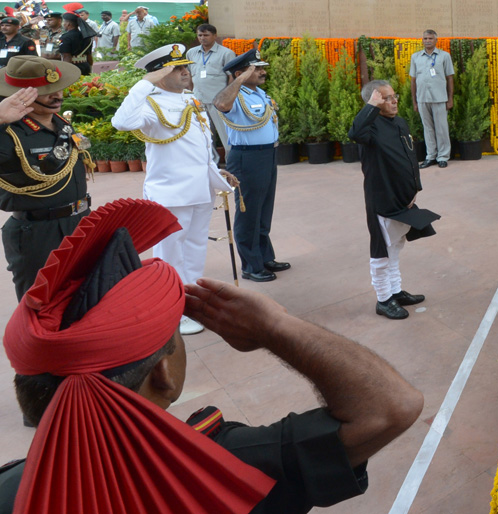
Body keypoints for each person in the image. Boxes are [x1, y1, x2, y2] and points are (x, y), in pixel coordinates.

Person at [0, 198, 423, 514]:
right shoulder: (218, 469)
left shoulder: (13, 488)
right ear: (163, 373)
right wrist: (276, 327)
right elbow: (391, 408)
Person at [111, 43, 236, 335]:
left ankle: (190, 302)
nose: (184, 72)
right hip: (172, 192)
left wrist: (215, 171)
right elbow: (121, 122)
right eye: (176, 68)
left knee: (195, 248)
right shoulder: (150, 105)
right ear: (159, 74)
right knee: (170, 254)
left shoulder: (190, 99)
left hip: (201, 189)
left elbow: (198, 147)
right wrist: (145, 83)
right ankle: (172, 309)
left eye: (185, 67)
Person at [0, 56, 87, 301]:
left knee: (82, 299)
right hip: (37, 232)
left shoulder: (60, 123)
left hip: (78, 222)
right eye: (45, 91)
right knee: (43, 304)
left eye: (58, 87)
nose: (56, 95)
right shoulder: (8, 134)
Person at [348, 80, 437, 320]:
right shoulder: (370, 128)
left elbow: (409, 157)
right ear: (374, 102)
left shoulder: (399, 122)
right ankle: (384, 299)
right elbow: (354, 132)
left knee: (396, 245)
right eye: (386, 98)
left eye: (394, 96)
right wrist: (371, 108)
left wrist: (414, 189)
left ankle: (396, 291)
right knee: (382, 251)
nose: (394, 100)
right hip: (382, 199)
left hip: (403, 200)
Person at [213, 49, 289, 283]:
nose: (263, 72)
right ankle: (250, 265)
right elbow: (220, 103)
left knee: (264, 210)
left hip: (267, 155)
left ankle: (264, 257)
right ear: (241, 73)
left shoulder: (259, 93)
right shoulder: (236, 95)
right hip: (247, 158)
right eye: (257, 69)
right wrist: (240, 79)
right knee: (249, 213)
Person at [187, 23, 237, 160]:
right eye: (200, 35)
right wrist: (191, 95)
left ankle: (231, 164)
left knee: (226, 135)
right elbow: (190, 75)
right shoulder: (191, 53)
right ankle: (212, 165)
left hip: (218, 102)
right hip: (199, 101)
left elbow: (232, 77)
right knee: (205, 136)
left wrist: (227, 98)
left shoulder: (226, 53)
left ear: (215, 36)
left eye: (206, 35)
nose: (202, 38)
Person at [409, 29, 454, 168]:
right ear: (422, 40)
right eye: (425, 38)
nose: (427, 40)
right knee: (427, 128)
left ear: (436, 40)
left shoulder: (444, 56)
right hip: (423, 98)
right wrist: (414, 101)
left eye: (430, 38)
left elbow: (449, 78)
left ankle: (443, 156)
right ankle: (430, 156)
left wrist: (450, 98)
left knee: (441, 128)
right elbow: (413, 79)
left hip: (440, 98)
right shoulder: (415, 57)